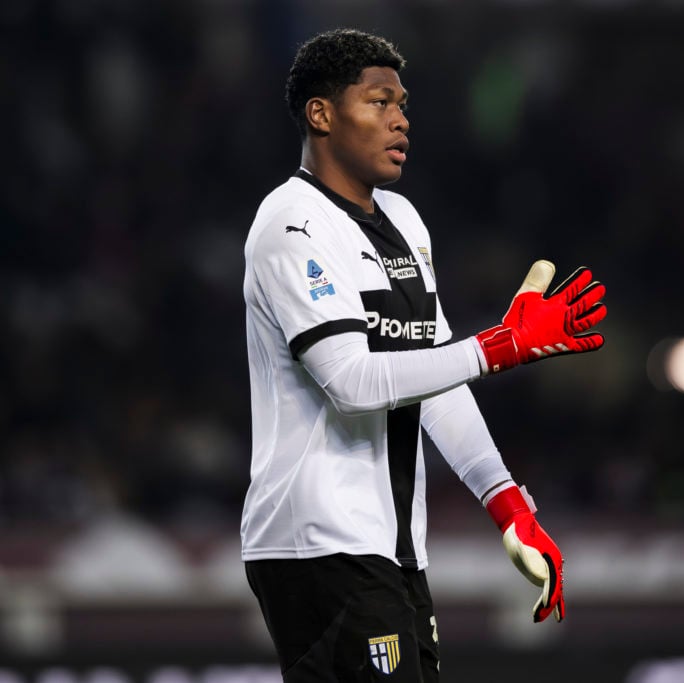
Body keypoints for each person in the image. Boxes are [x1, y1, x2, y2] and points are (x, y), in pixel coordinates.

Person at [240, 28, 606, 682]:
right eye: (379, 101)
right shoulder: (290, 224)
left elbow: (432, 376)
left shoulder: (405, 222)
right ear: (321, 114)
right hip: (316, 542)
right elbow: (350, 381)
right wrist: (500, 346)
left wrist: (508, 505)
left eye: (403, 103)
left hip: (391, 548)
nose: (401, 118)